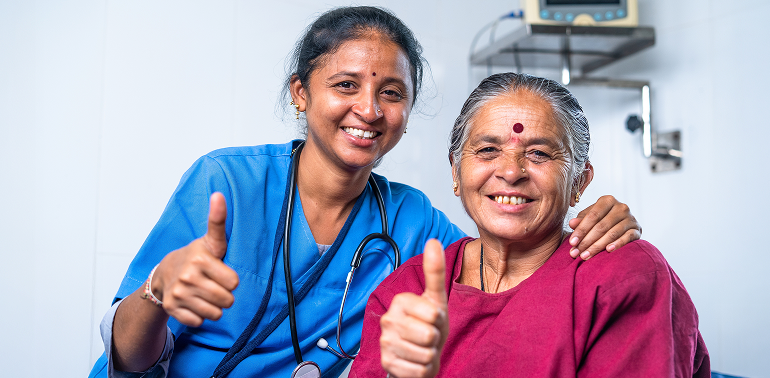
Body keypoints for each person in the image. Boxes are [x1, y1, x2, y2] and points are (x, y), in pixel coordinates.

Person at [88, 7, 642, 378]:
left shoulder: (411, 220)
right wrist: (157, 292)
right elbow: (129, 360)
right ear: (301, 93)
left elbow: (512, 255)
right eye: (345, 85)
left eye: (392, 92)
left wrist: (600, 221)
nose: (370, 110)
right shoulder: (227, 183)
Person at [349, 72, 710, 378]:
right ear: (456, 172)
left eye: (539, 153)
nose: (511, 172)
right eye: (488, 150)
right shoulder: (407, 292)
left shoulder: (622, 277)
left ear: (579, 182)